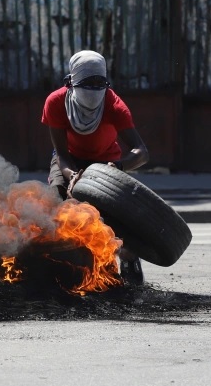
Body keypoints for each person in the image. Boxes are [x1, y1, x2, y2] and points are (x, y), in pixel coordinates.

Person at [41, 49, 149, 285]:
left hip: (107, 163)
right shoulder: (56, 102)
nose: (92, 91)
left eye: (98, 85)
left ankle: (127, 259)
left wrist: (118, 166)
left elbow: (141, 152)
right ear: (71, 82)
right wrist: (71, 176)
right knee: (57, 203)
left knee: (111, 217)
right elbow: (61, 155)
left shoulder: (115, 106)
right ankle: (63, 269)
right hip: (69, 161)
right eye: (86, 85)